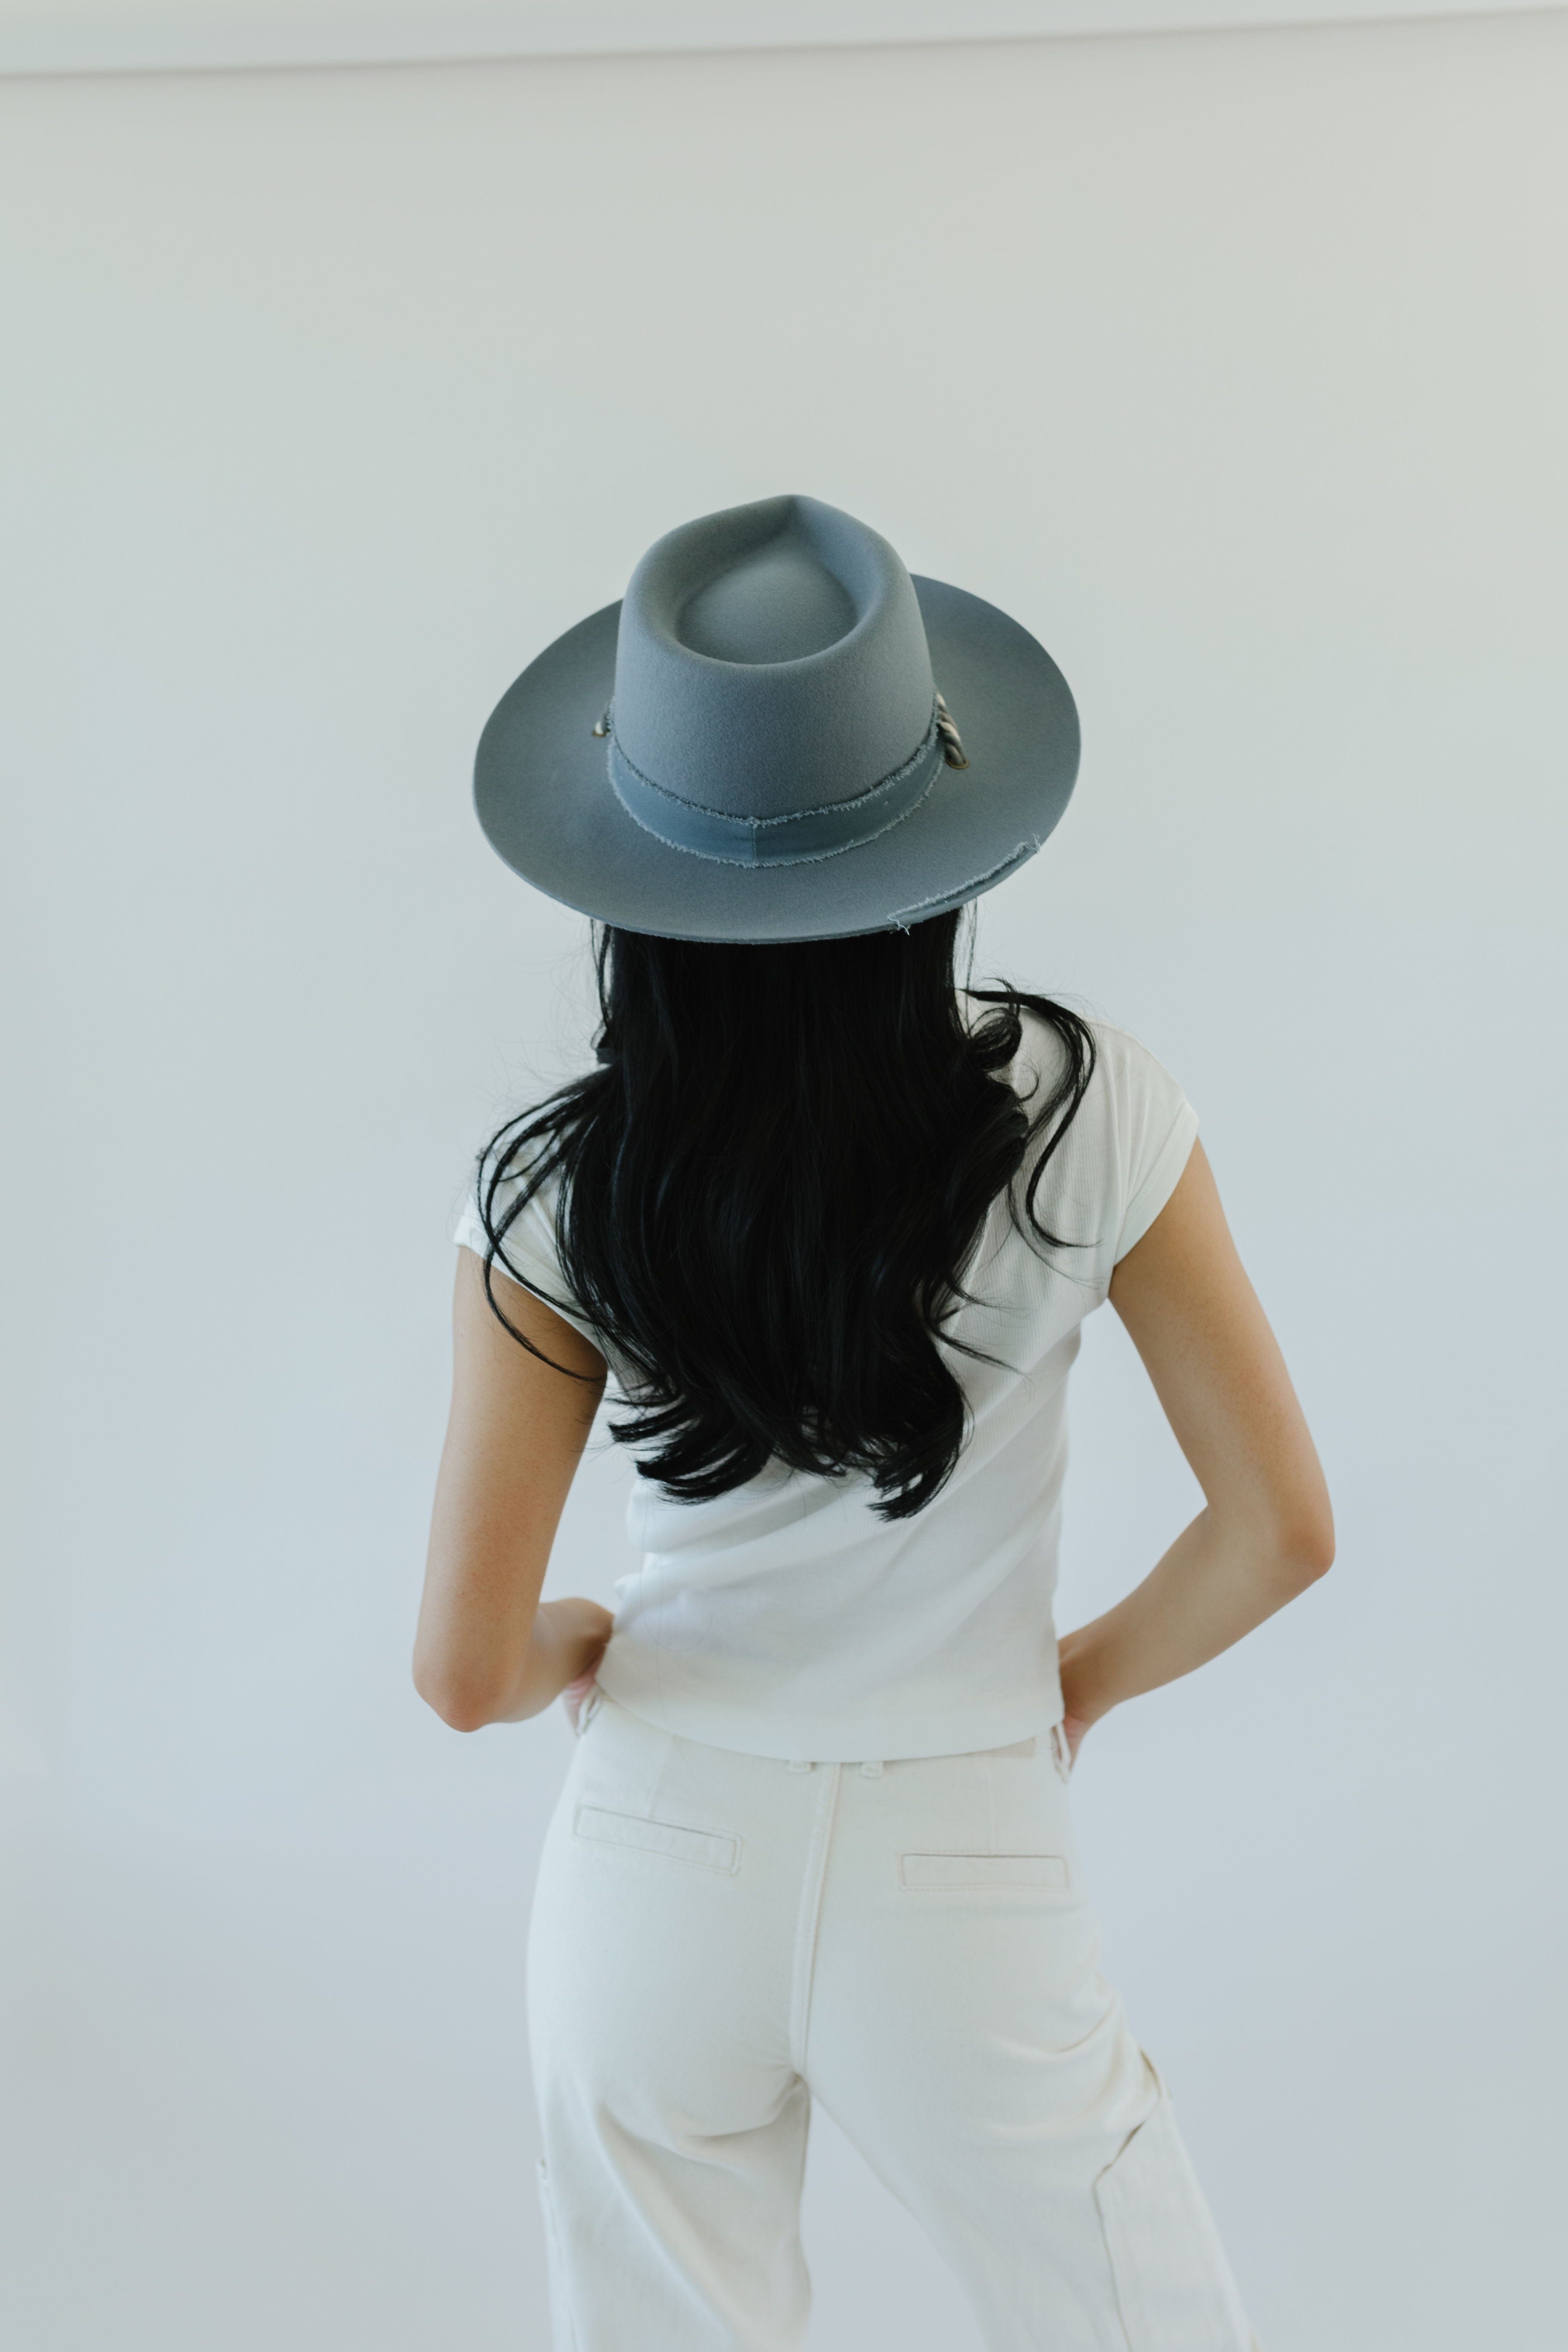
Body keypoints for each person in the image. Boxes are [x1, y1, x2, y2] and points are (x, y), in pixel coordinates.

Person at [414, 496, 1331, 2352]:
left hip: (654, 1858)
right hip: (962, 1851)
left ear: (633, 859)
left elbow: (460, 1668)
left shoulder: (563, 1193)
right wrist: (1069, 1678)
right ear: (933, 824)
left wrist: (579, 1634)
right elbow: (1277, 1527)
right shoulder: (1088, 1108)